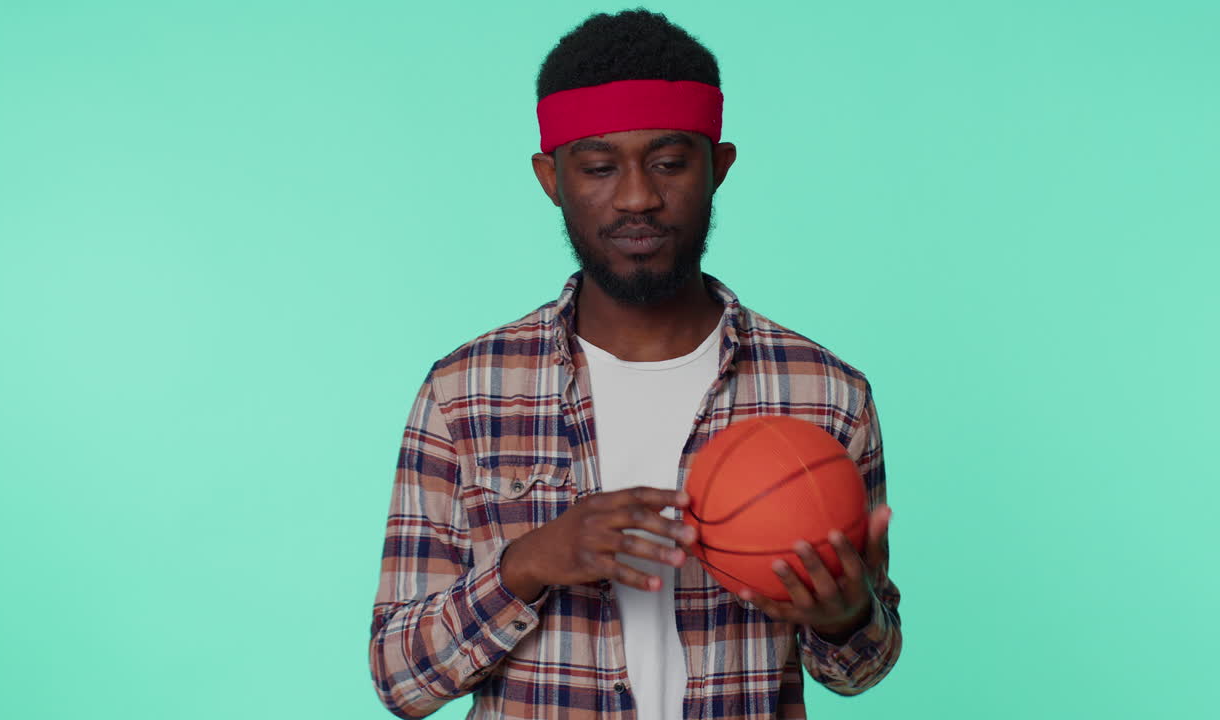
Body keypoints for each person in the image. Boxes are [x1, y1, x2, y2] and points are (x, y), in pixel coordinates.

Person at [369, 9, 902, 719]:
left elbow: (862, 667)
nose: (636, 196)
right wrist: (529, 563)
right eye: (597, 166)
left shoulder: (826, 395)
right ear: (550, 178)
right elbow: (399, 678)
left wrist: (844, 615)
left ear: (719, 166)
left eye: (669, 162)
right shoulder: (464, 393)